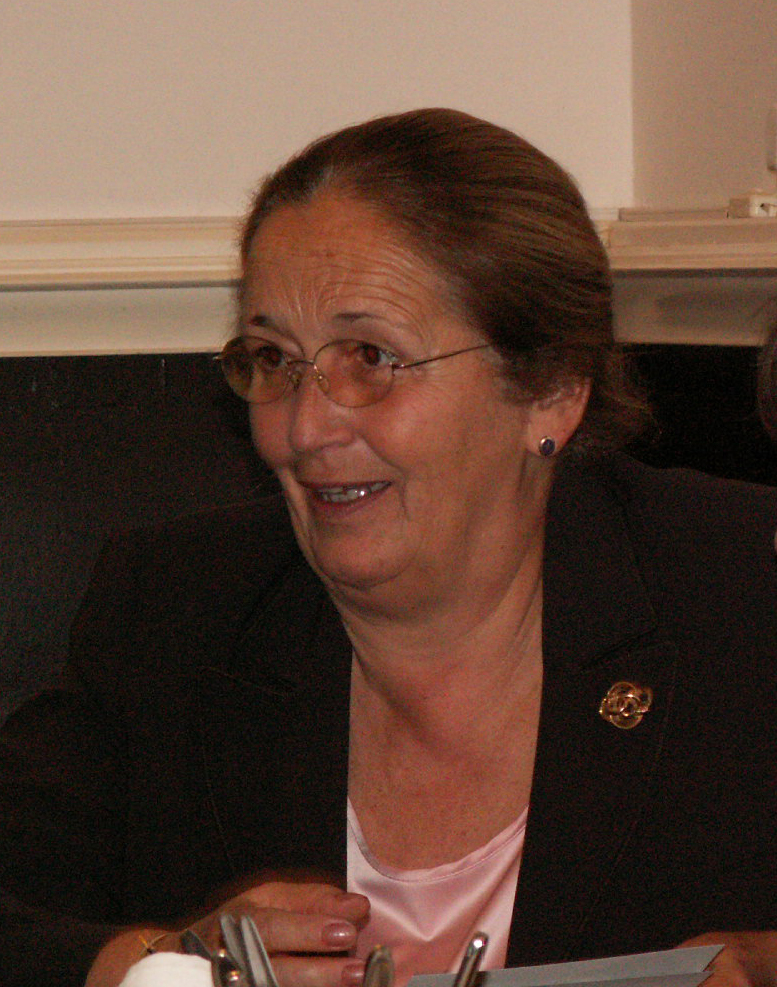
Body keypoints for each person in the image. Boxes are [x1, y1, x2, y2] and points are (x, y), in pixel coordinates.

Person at [1, 108, 776, 987]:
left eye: (369, 356)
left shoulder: (740, 591)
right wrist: (155, 968)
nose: (305, 427)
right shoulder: (180, 609)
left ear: (551, 389)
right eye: (273, 358)